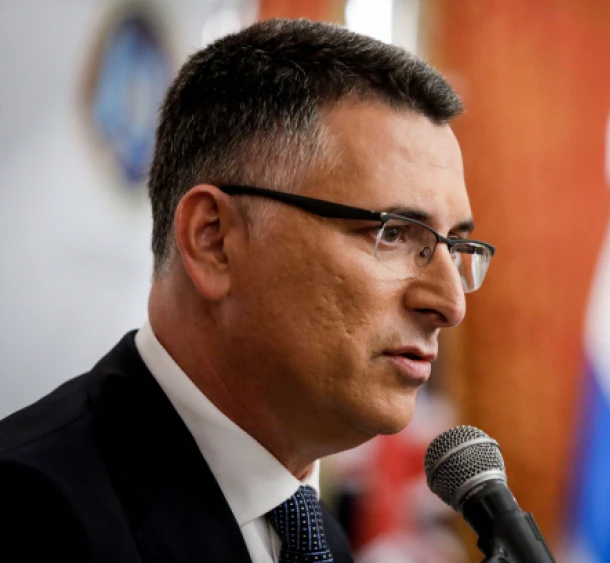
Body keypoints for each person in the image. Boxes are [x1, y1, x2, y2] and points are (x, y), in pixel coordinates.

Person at [0, 18, 493, 562]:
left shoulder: (317, 537)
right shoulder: (32, 513)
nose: (450, 304)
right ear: (213, 240)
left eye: (456, 246)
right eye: (394, 233)